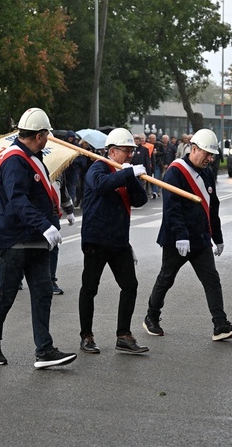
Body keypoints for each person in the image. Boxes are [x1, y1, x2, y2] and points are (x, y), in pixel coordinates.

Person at [0, 107, 77, 369]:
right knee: (6, 294)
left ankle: (44, 350)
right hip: (15, 240)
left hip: (34, 239)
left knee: (43, 293)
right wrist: (45, 225)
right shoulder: (15, 160)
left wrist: (49, 224)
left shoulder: (32, 157)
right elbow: (17, 200)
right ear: (40, 135)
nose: (48, 140)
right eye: (47, 135)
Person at [143, 129, 232, 342]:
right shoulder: (175, 172)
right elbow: (172, 207)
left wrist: (217, 236)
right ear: (194, 148)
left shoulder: (207, 172)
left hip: (200, 237)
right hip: (176, 239)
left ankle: (220, 324)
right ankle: (151, 317)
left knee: (212, 280)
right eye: (206, 154)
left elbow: (212, 206)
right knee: (166, 278)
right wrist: (181, 235)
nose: (209, 158)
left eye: (212, 155)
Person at [78, 128, 149, 354]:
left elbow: (140, 200)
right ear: (112, 151)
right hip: (96, 240)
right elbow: (101, 185)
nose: (130, 155)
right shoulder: (97, 167)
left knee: (130, 286)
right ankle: (86, 336)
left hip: (119, 241)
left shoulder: (124, 171)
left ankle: (123, 335)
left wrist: (133, 177)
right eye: (126, 151)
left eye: (131, 151)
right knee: (90, 288)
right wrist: (127, 174)